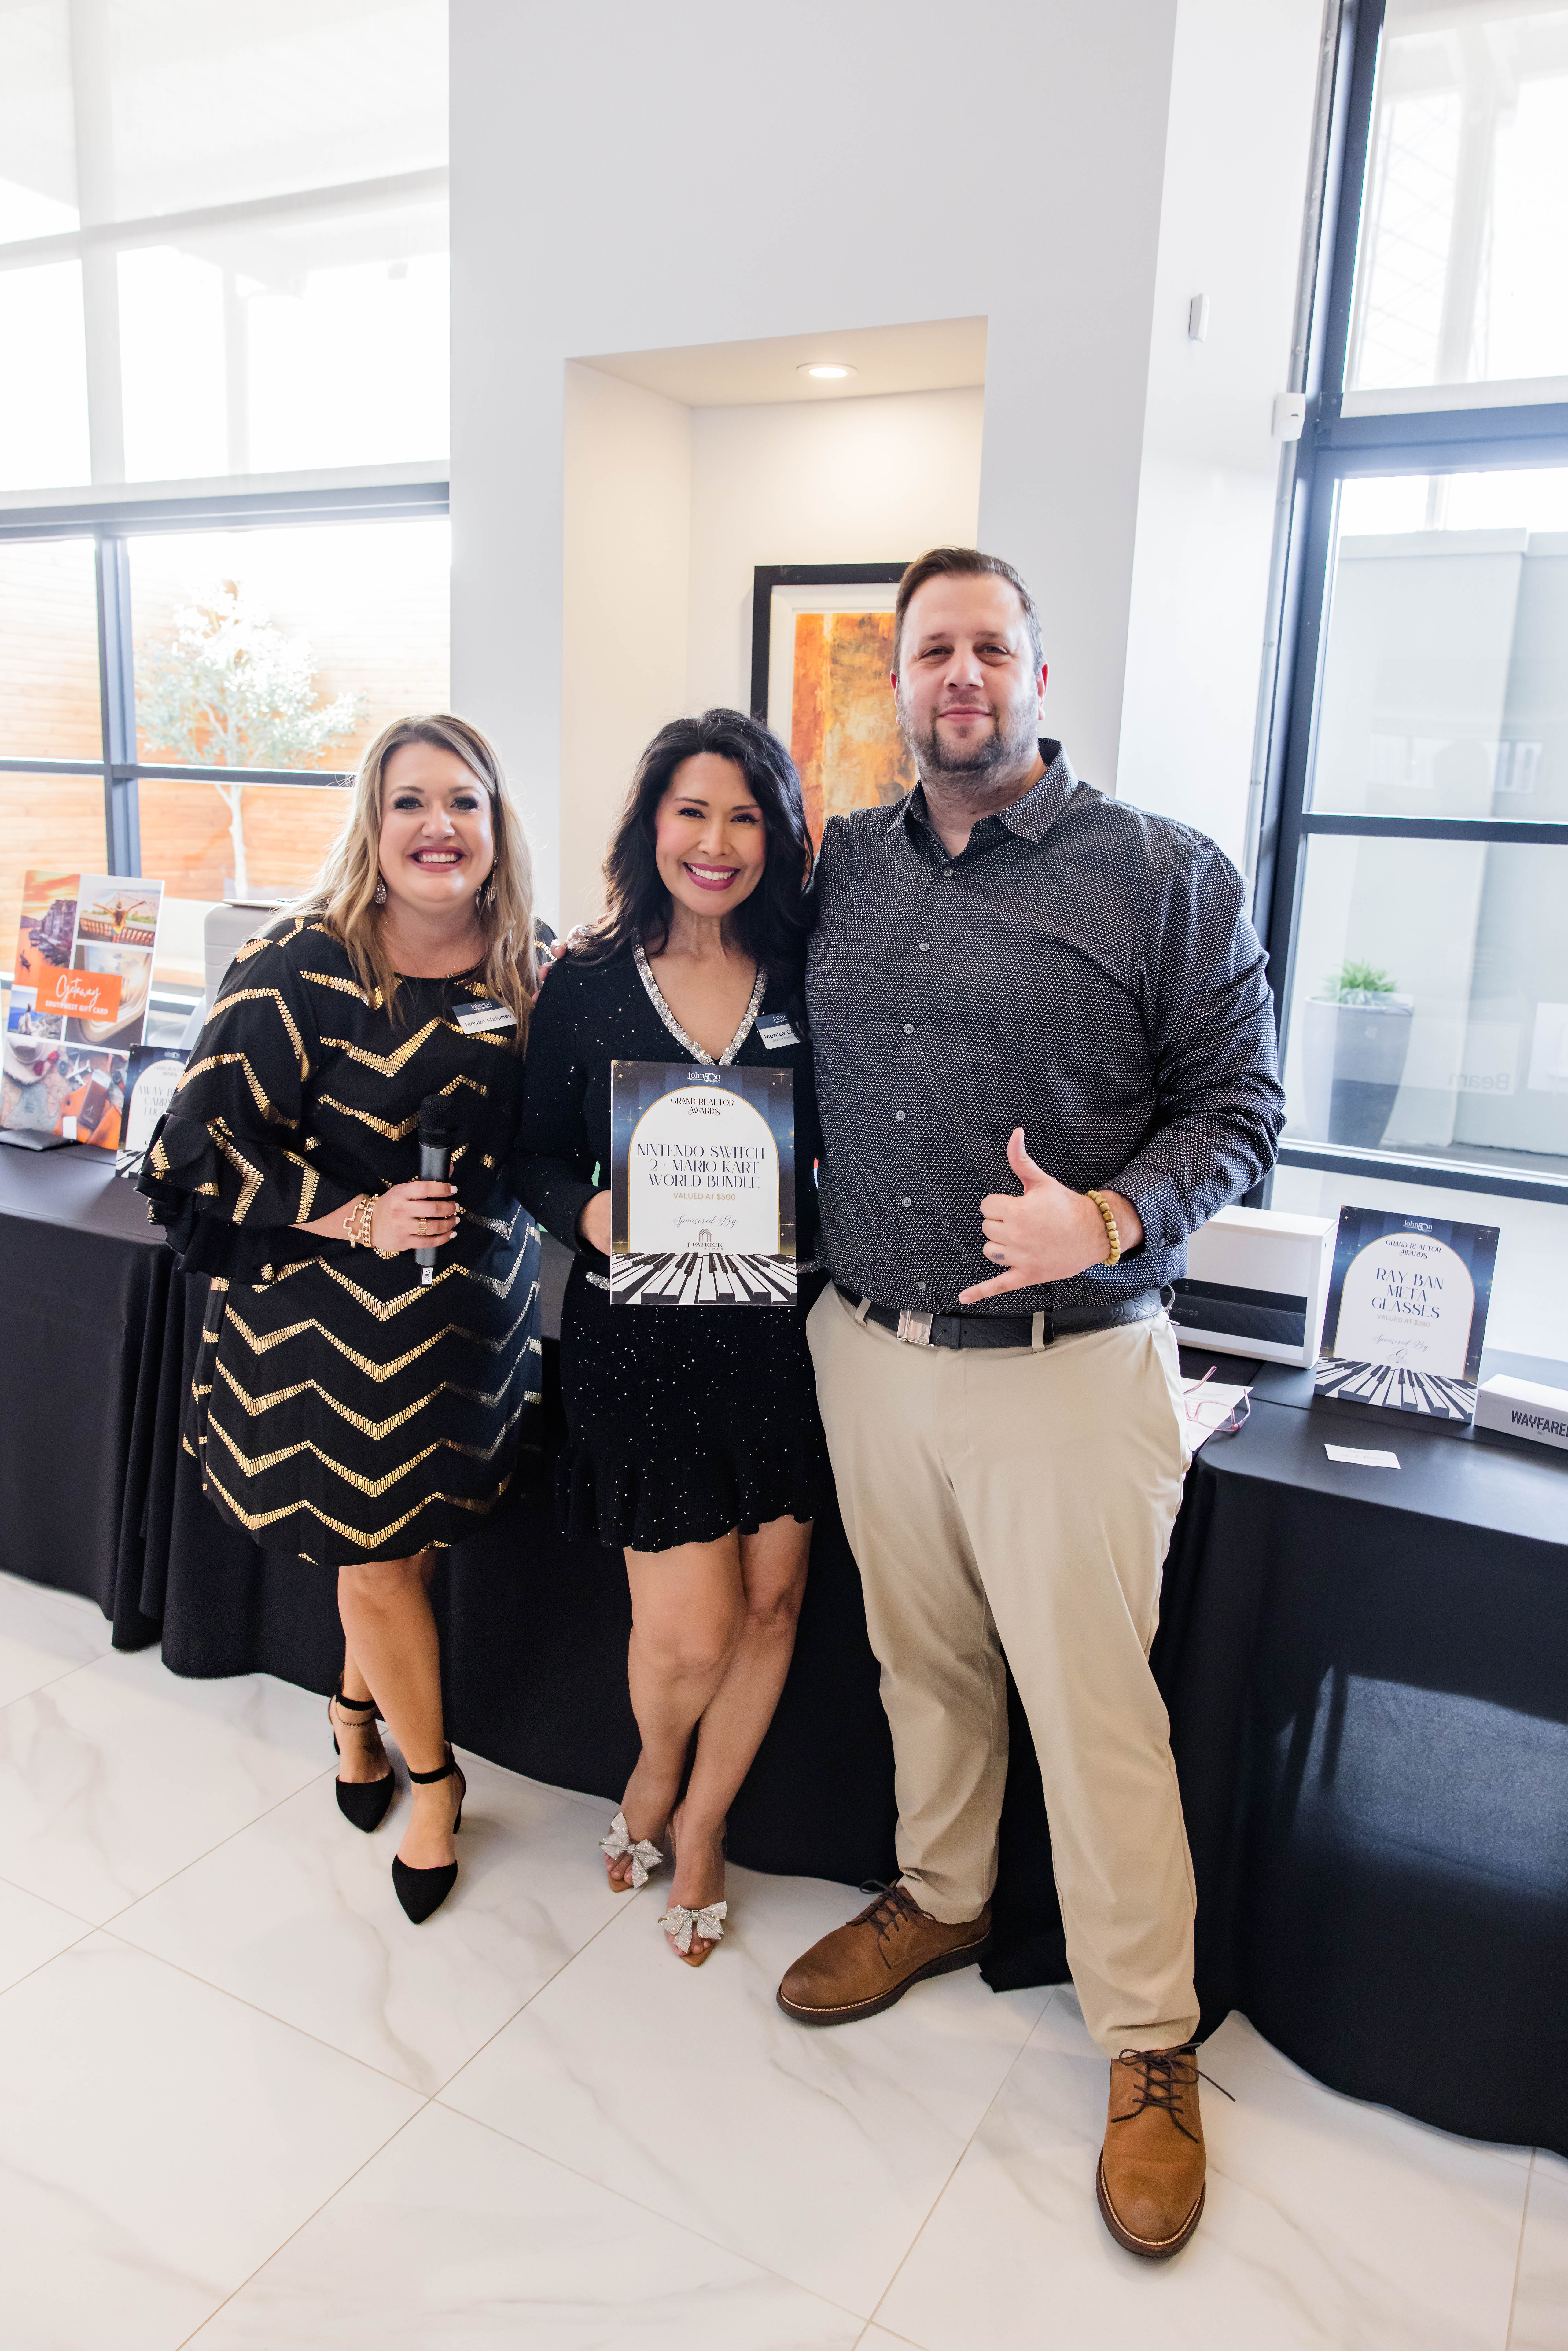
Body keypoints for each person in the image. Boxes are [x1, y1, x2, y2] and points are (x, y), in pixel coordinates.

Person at [775, 548, 1284, 2259]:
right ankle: (941, 1893)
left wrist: (1111, 1217)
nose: (960, 676)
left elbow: (1240, 1106)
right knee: (919, 1663)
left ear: (1037, 676)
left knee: (1091, 1714)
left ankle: (1147, 2037)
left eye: (990, 647)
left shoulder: (1159, 874)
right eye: (932, 650)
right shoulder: (844, 863)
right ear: (896, 682)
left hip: (1068, 1370)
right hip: (867, 1346)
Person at [140, 714, 542, 1926]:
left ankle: (356, 1707)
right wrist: (357, 1214)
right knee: (374, 1556)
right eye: (410, 801)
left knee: (405, 1552)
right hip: (326, 1332)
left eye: (463, 801)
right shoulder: (295, 963)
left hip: (472, 1318)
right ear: (372, 820)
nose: (438, 826)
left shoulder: (528, 962)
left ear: (496, 821)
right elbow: (191, 1149)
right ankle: (436, 1785)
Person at [515, 709, 826, 1965]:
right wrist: (588, 1213)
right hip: (637, 1341)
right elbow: (529, 1154)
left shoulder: (809, 970)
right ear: (651, 824)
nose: (717, 842)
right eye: (692, 812)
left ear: (777, 837)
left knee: (773, 1602)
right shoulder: (586, 979)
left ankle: (702, 1823)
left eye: (746, 817)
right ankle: (653, 1770)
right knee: (691, 1630)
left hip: (780, 1335)